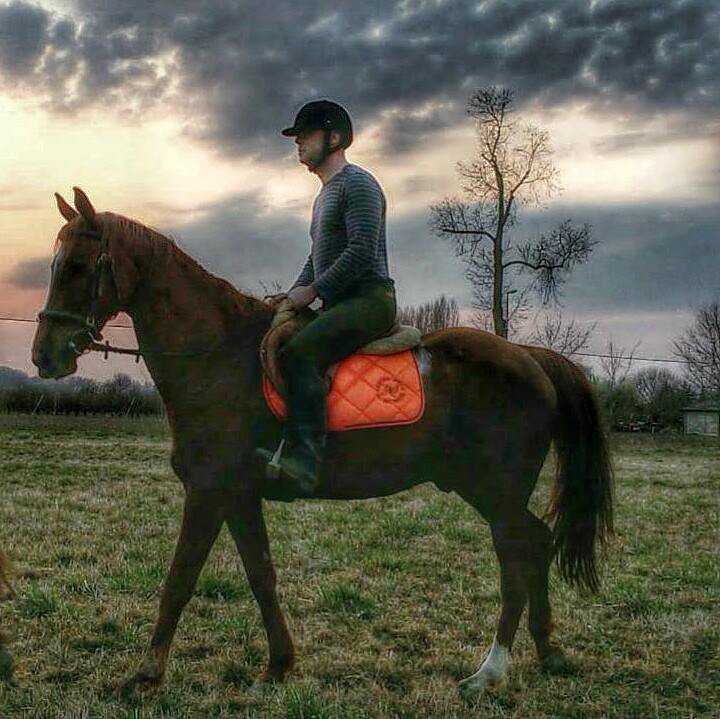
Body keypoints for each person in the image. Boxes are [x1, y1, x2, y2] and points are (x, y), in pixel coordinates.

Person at [256, 99, 397, 496]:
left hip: (370, 301)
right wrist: (291, 295)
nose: (298, 143)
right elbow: (315, 259)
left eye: (306, 135)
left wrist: (315, 291)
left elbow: (362, 251)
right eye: (297, 138)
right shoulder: (324, 196)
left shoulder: (359, 184)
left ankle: (304, 462)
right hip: (340, 302)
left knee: (299, 354)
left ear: (334, 138)